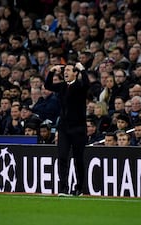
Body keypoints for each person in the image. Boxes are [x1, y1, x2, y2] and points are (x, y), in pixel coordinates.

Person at [45, 62, 89, 196]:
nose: (66, 72)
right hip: (64, 128)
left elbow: (87, 84)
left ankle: (79, 187)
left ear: (75, 73)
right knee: (62, 157)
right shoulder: (63, 86)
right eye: (65, 70)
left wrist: (83, 70)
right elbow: (48, 85)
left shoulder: (80, 86)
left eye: (69, 70)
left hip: (78, 128)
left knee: (78, 159)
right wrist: (52, 71)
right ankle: (63, 188)